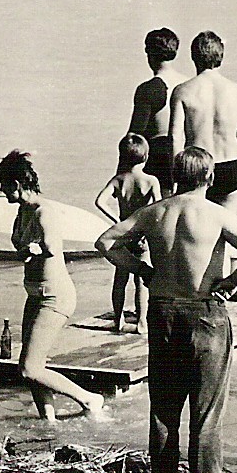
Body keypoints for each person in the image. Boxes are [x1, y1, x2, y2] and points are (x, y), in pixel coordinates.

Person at [96, 147, 237, 473]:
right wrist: (230, 284)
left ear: (175, 177)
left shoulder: (155, 212)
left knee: (164, 410)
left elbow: (105, 243)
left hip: (163, 311)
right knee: (206, 412)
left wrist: (142, 270)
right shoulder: (216, 213)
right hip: (204, 312)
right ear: (210, 178)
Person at [0, 150, 106, 423]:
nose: (1, 190)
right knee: (32, 366)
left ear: (16, 184)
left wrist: (35, 248)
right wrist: (25, 249)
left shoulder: (44, 212)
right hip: (35, 295)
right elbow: (19, 245)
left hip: (55, 297)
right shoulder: (22, 211)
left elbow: (53, 247)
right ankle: (49, 421)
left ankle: (89, 399)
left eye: (3, 184)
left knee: (29, 368)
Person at [169, 31, 237, 212]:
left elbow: (175, 138)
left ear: (193, 57)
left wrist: (176, 177)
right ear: (221, 56)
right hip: (230, 165)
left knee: (194, 223)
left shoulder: (182, 91)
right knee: (227, 223)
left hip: (197, 167)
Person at [94, 133, 161, 333]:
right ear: (146, 156)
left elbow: (100, 201)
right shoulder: (150, 181)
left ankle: (118, 320)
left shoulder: (119, 180)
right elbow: (158, 208)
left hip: (123, 236)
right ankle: (142, 322)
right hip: (142, 235)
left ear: (122, 157)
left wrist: (118, 221)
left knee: (120, 279)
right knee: (141, 280)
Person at [128, 28, 183, 197]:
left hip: (159, 161)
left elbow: (134, 136)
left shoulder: (148, 89)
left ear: (149, 54)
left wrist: (121, 175)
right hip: (188, 155)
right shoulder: (190, 83)